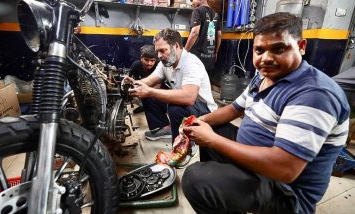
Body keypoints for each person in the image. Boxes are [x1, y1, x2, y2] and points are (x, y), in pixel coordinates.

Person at [181, 12, 350, 214]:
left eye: (279, 48)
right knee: (212, 127)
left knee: (196, 179)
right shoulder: (264, 76)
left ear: (302, 47)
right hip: (259, 164)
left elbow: (285, 169)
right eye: (259, 50)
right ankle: (229, 198)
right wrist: (199, 121)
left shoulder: (315, 94)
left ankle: (223, 193)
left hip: (286, 191)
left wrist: (212, 140)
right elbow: (233, 109)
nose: (266, 58)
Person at [124, 28, 218, 141]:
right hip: (188, 105)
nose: (159, 56)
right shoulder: (166, 62)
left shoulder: (191, 63)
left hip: (204, 109)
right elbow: (149, 81)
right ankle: (166, 128)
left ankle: (183, 144)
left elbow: (189, 98)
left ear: (176, 46)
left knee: (175, 108)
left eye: (163, 51)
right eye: (157, 51)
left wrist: (150, 91)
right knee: (149, 96)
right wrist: (134, 83)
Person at [185, 0, 222, 76]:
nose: (192, 3)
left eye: (192, 0)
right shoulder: (216, 14)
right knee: (204, 82)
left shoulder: (197, 11)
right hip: (210, 57)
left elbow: (195, 32)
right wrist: (216, 52)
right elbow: (219, 35)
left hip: (196, 58)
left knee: (193, 82)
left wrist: (185, 51)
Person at [129, 44, 159, 114]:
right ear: (141, 58)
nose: (149, 63)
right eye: (146, 60)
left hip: (153, 93)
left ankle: (147, 106)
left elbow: (158, 86)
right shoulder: (136, 65)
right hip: (140, 92)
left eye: (152, 60)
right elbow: (130, 80)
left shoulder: (158, 66)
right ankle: (144, 106)